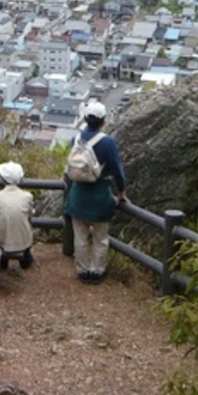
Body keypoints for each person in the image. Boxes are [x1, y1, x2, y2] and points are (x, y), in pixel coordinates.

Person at [63, 102, 127, 283]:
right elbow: (117, 170)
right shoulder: (108, 142)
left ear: (84, 118)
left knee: (80, 236)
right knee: (100, 236)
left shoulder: (75, 140)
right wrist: (121, 192)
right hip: (100, 194)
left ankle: (82, 270)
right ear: (103, 121)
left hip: (77, 193)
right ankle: (97, 271)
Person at [0, 161, 35, 270]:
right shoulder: (27, 196)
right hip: (23, 238)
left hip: (0, 237)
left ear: (2, 179)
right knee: (23, 227)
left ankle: (1, 261)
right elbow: (30, 216)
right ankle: (26, 259)